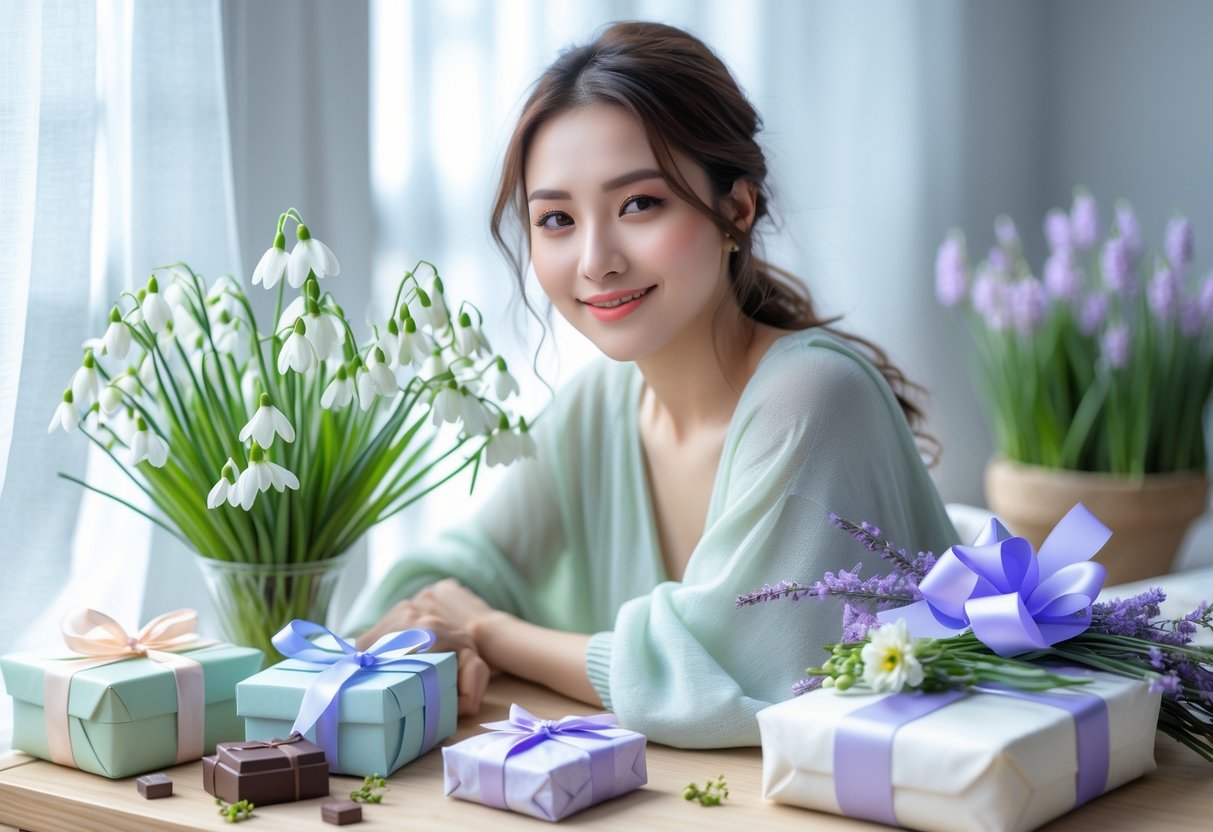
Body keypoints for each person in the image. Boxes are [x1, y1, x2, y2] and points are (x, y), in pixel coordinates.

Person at [347, 20, 958, 748]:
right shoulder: (599, 408)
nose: (595, 260)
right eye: (556, 218)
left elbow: (738, 680)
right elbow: (459, 570)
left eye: (638, 204)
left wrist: (488, 632)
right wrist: (429, 625)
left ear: (736, 209)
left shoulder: (812, 400)